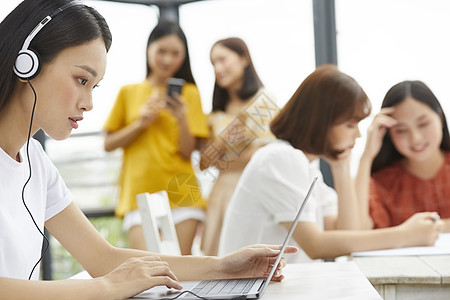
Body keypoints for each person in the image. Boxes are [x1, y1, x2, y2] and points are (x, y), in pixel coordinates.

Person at [0, 1, 296, 298]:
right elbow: (106, 276)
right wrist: (106, 287)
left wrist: (221, 267)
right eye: (81, 80)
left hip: (181, 193)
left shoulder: (36, 164)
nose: (88, 103)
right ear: (27, 63)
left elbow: (103, 259)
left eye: (94, 86)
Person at [219, 65, 443, 262]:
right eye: (350, 124)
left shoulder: (306, 165)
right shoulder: (280, 158)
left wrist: (341, 167)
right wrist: (404, 235)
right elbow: (317, 246)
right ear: (322, 122)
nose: (358, 134)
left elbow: (349, 233)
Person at [103, 20, 209, 254]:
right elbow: (108, 144)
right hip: (138, 192)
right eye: (162, 51)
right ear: (149, 49)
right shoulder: (128, 92)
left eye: (176, 53)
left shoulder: (190, 94)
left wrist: (181, 118)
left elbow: (186, 151)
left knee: (183, 272)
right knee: (150, 270)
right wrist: (140, 124)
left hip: (182, 192)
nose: (168, 60)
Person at [200, 37, 276, 256]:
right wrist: (225, 140)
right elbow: (205, 162)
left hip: (253, 188)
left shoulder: (264, 101)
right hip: (221, 195)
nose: (218, 68)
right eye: (213, 63)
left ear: (244, 59)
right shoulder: (215, 113)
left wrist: (222, 161)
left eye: (223, 59)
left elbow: (264, 154)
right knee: (217, 262)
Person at [355, 80, 450, 232]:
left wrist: (435, 228)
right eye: (401, 130)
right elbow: (358, 232)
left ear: (440, 118)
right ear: (388, 134)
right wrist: (366, 157)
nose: (416, 138)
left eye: (423, 124)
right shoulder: (383, 184)